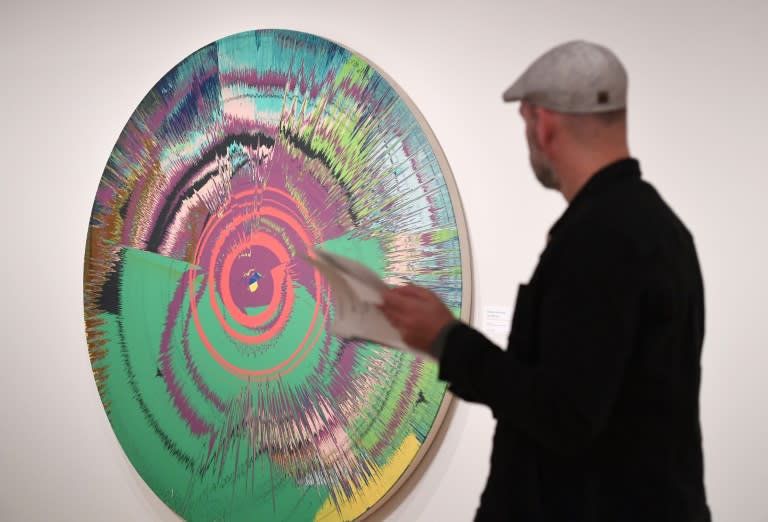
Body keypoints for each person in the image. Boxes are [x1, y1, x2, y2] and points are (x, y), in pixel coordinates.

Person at [379, 40, 711, 521]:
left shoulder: (600, 238)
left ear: (543, 123)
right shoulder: (665, 230)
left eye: (525, 123)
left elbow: (564, 414)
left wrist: (447, 340)